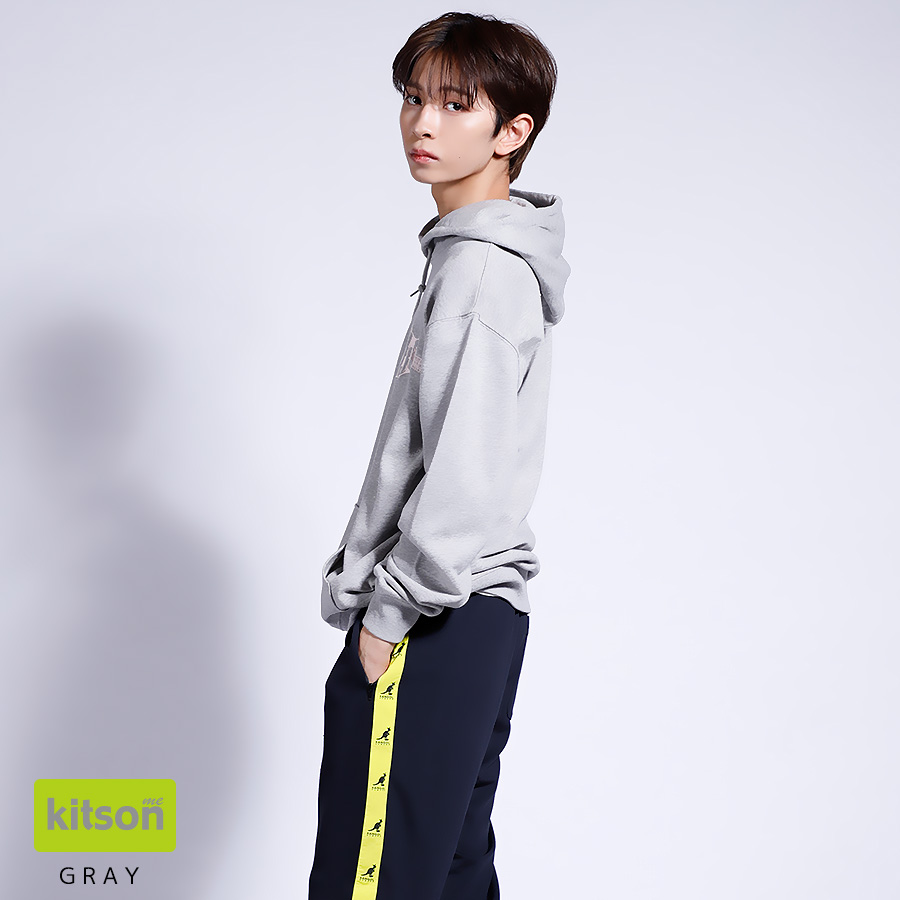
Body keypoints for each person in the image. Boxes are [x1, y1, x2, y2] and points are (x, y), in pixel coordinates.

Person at [308, 11, 570, 900]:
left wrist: (388, 615)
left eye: (457, 105)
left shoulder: (481, 270)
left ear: (512, 132)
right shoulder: (477, 260)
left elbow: (465, 474)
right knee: (449, 876)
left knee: (370, 883)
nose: (423, 122)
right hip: (472, 614)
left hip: (433, 616)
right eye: (414, 98)